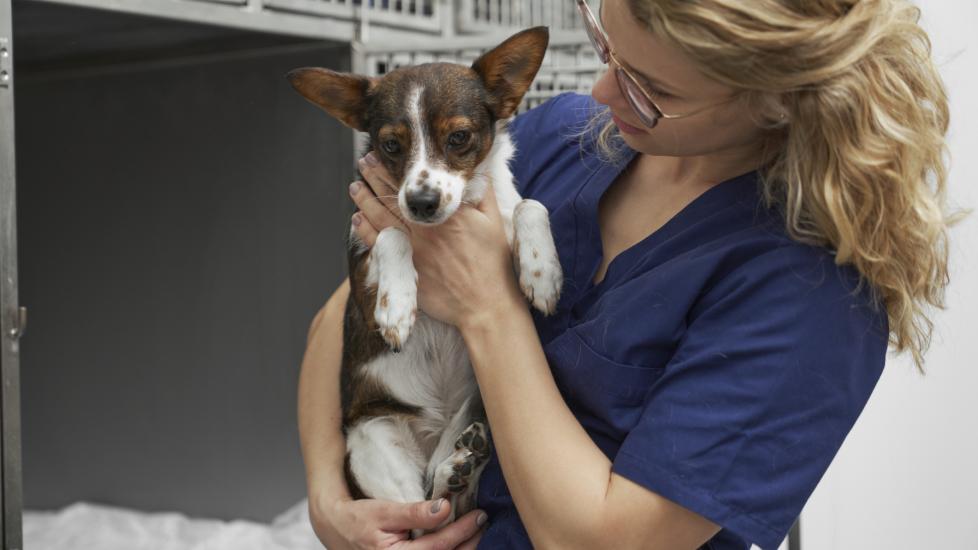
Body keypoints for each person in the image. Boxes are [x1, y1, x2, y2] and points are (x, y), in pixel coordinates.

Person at [297, 0, 956, 548]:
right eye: (606, 44)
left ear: (780, 100)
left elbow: (608, 541)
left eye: (653, 89)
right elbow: (344, 319)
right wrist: (330, 499)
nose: (602, 90)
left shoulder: (811, 295)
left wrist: (489, 310)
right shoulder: (564, 139)